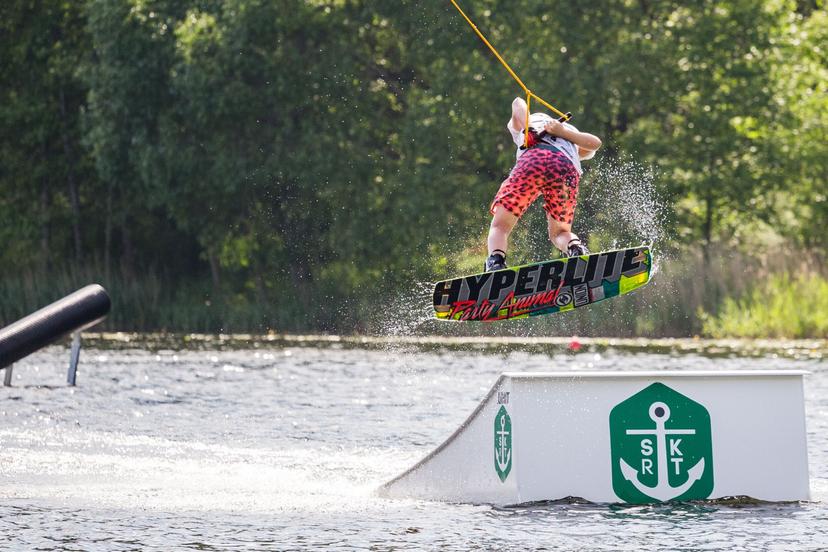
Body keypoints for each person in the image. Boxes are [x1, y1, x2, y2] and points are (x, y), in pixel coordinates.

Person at [484, 97, 602, 272]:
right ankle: (576, 249)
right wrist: (563, 133)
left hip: (532, 161)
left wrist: (529, 128)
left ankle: (496, 262)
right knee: (560, 233)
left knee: (500, 225)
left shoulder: (526, 126)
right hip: (565, 169)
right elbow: (595, 143)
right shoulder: (572, 140)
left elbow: (517, 102)